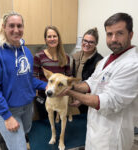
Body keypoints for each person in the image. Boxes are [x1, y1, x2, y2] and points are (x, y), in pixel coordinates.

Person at [59, 12, 138, 150]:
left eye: (119, 33)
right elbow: (91, 83)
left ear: (130, 35)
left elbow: (108, 102)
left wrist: (70, 93)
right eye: (109, 34)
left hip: (112, 136)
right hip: (95, 128)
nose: (113, 39)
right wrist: (70, 86)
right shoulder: (106, 60)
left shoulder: (132, 65)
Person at [0, 12, 47, 150]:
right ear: (3, 27)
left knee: (23, 138)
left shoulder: (26, 52)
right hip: (9, 110)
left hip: (27, 107)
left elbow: (28, 79)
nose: (16, 30)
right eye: (11, 26)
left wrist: (47, 85)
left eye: (19, 26)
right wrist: (7, 117)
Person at [33, 25, 71, 119]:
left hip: (60, 97)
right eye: (49, 36)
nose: (52, 39)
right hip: (45, 96)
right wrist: (45, 88)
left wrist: (67, 91)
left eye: (54, 36)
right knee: (46, 122)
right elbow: (34, 77)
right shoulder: (39, 56)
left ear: (58, 38)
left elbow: (69, 77)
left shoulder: (65, 57)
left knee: (58, 122)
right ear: (45, 39)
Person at [71, 27, 103, 114]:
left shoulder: (99, 61)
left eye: (91, 42)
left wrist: (82, 100)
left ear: (96, 44)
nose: (87, 44)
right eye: (85, 40)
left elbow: (97, 86)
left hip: (88, 100)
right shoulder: (76, 56)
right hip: (75, 96)